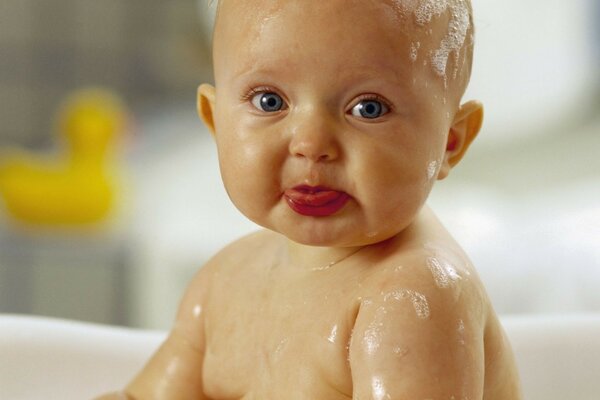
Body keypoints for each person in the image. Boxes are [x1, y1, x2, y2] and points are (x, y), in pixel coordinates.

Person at [100, 0, 522, 398]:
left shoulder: (412, 299)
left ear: (449, 142)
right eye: (270, 101)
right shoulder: (224, 280)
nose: (311, 143)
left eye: (368, 109)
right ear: (216, 121)